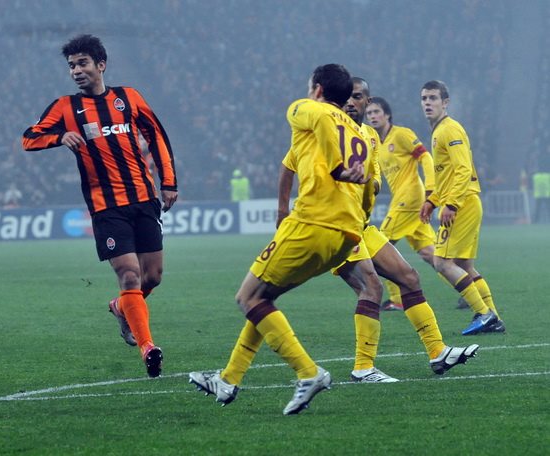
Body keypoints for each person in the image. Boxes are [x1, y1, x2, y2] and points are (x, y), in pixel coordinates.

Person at [189, 64, 370, 415]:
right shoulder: (359, 134)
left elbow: (320, 118)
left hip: (313, 223)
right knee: (263, 298)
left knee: (247, 297)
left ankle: (308, 372)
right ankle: (229, 378)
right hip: (346, 234)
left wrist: (336, 169)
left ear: (317, 88)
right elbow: (370, 187)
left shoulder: (307, 108)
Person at [281, 78, 479, 383]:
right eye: (347, 96)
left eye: (358, 96)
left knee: (409, 278)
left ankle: (438, 351)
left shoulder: (370, 136)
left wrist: (368, 183)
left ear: (368, 101)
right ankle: (363, 367)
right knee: (371, 287)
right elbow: (289, 165)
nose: (351, 102)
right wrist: (282, 211)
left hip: (361, 225)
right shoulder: (325, 128)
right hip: (333, 224)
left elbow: (374, 180)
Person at [22, 34, 178, 377]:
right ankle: (148, 347)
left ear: (101, 65)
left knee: (153, 276)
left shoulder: (128, 98)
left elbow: (156, 137)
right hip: (106, 208)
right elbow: (28, 138)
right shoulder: (65, 107)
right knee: (129, 274)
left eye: (83, 63)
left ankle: (121, 307)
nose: (76, 71)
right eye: (71, 66)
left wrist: (169, 182)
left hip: (143, 199)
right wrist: (59, 137)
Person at [419, 80, 504, 335]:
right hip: (466, 201)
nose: (427, 103)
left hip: (463, 203)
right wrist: (432, 201)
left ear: (445, 102)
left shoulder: (449, 130)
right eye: (424, 98)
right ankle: (494, 319)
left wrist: (451, 204)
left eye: (433, 98)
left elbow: (463, 170)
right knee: (464, 265)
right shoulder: (439, 131)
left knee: (442, 262)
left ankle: (484, 314)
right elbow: (447, 175)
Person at [365, 96, 439, 311]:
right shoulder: (374, 142)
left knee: (380, 246)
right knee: (429, 253)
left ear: (387, 114)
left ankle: (397, 299)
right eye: (369, 113)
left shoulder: (402, 134)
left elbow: (426, 157)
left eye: (376, 112)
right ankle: (467, 286)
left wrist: (431, 189)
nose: (372, 116)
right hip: (402, 199)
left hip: (410, 198)